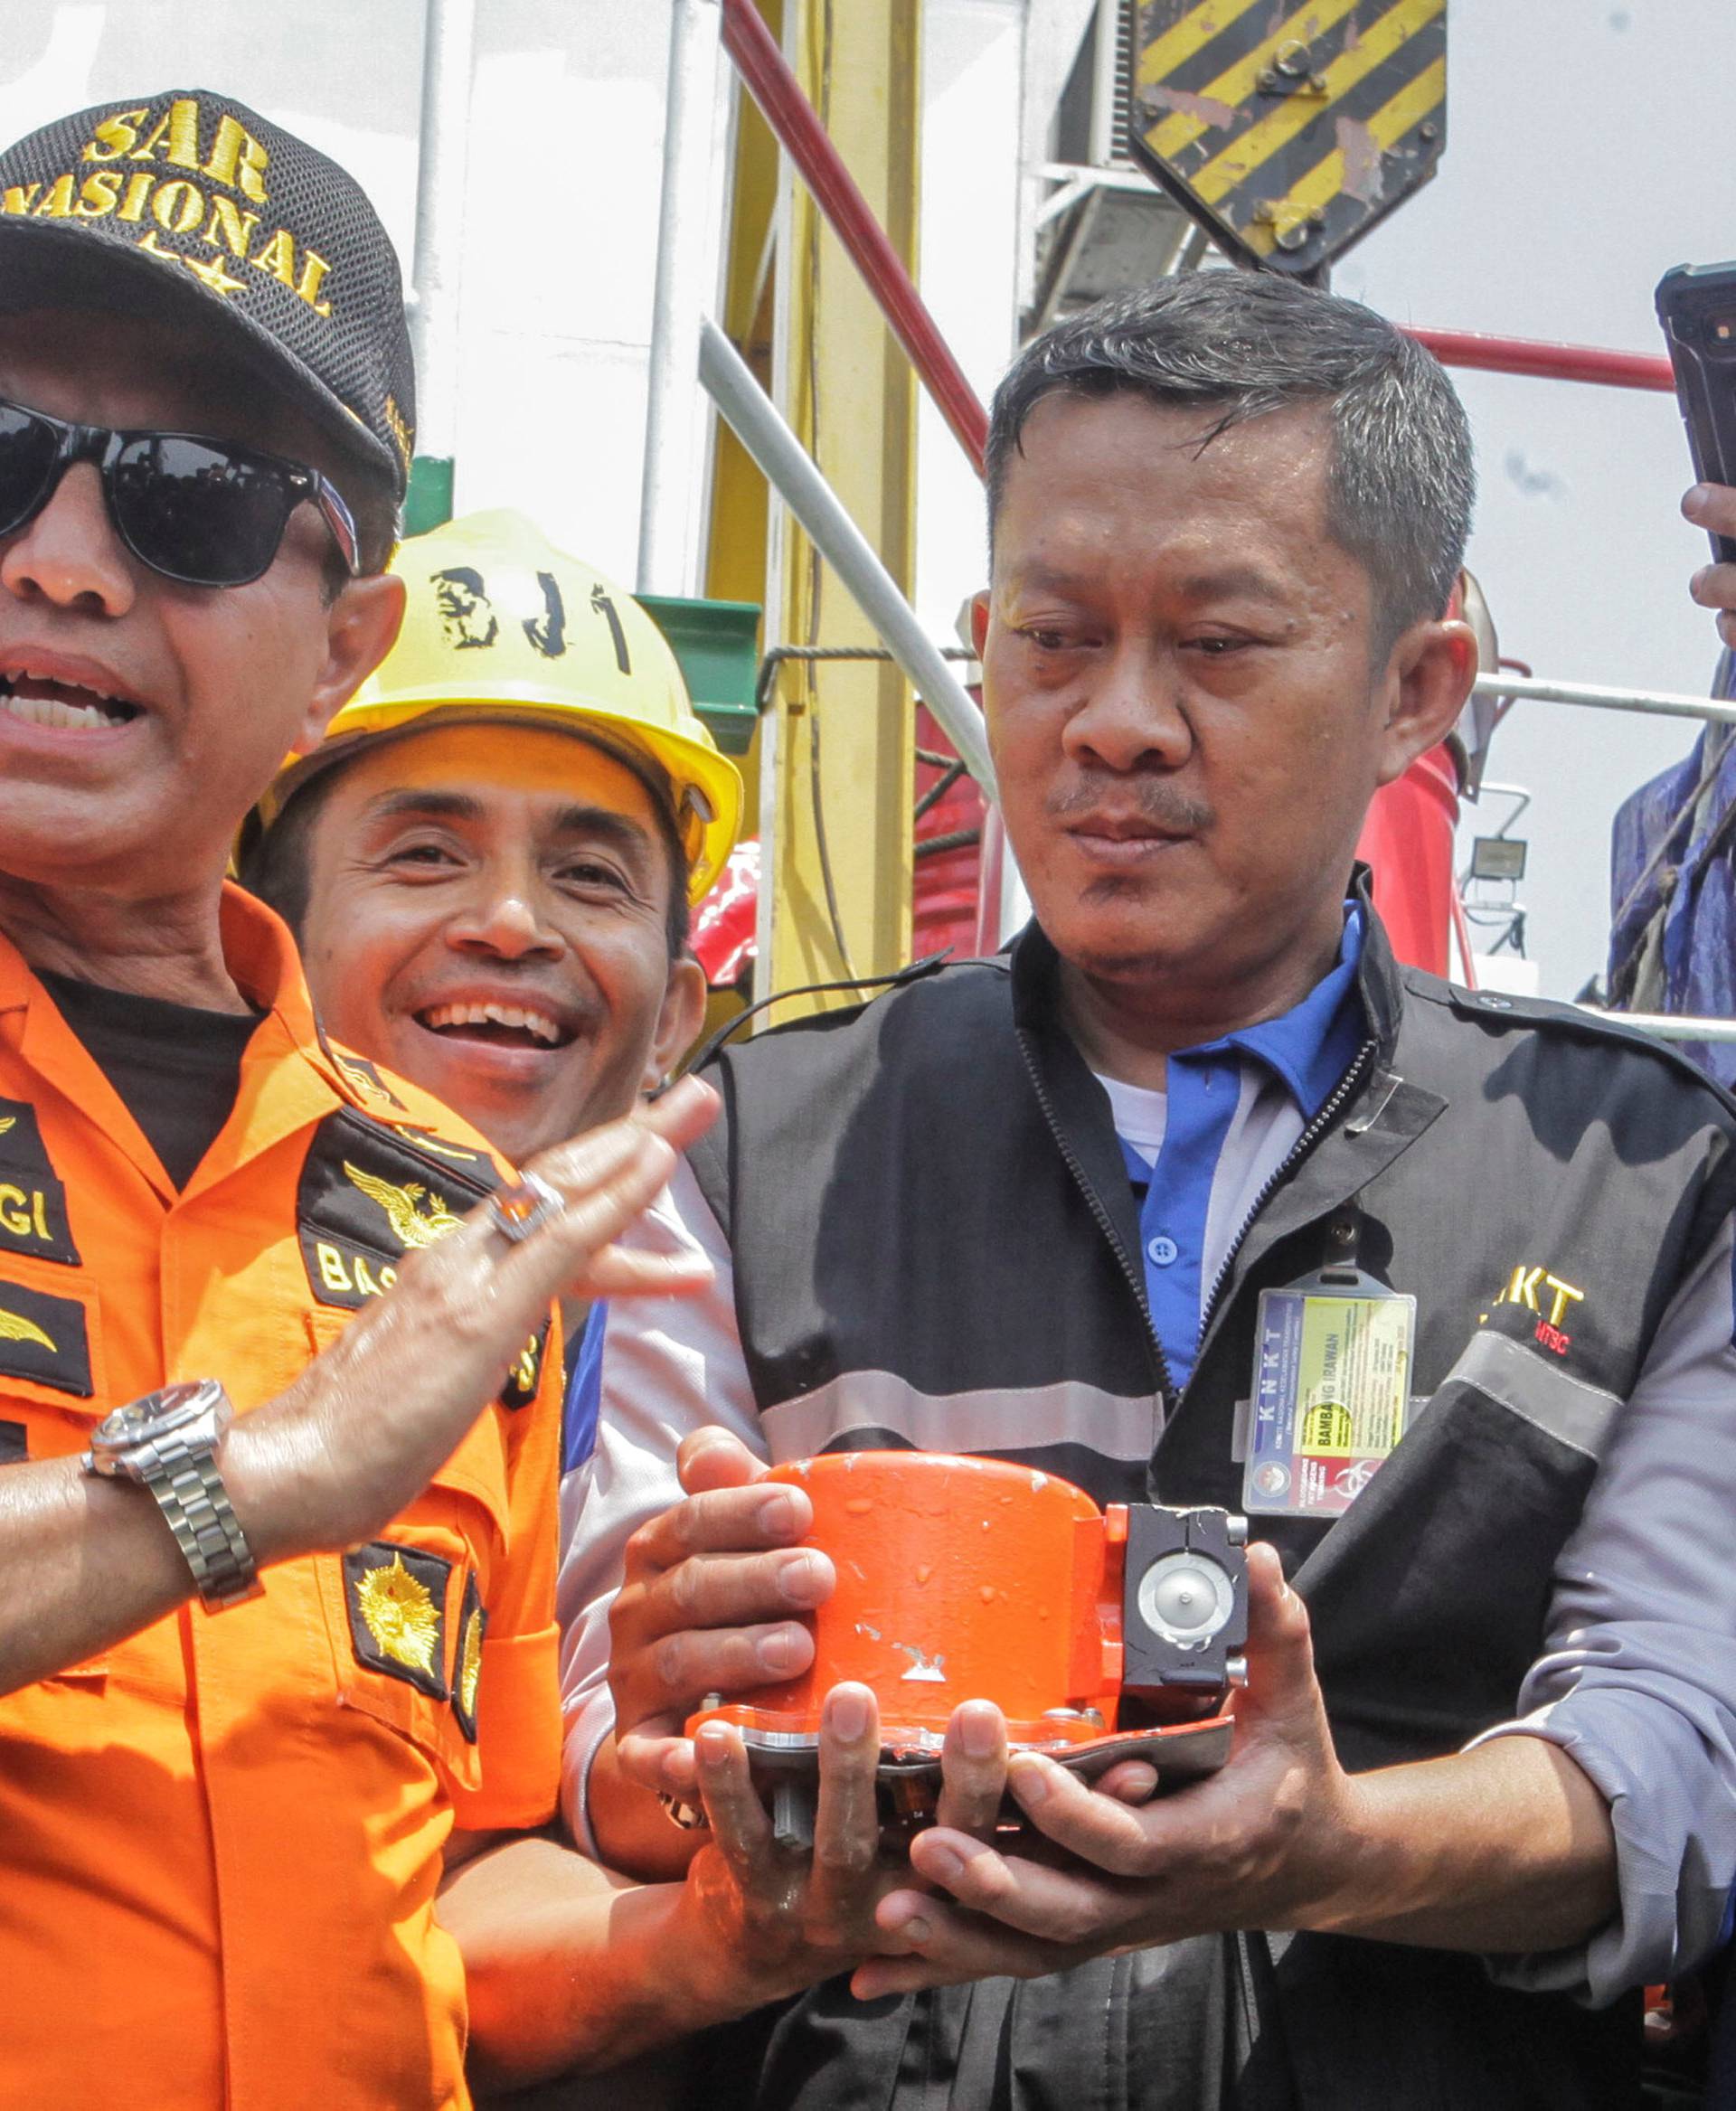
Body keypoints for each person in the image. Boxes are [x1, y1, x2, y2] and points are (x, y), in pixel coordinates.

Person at [561, 270, 1736, 2108]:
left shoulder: (1645, 1184)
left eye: (1218, 642)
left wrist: (1334, 1841)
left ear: (1420, 686)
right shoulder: (750, 1150)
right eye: (1050, 637)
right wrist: (653, 1721)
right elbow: (588, 1763)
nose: (1115, 721)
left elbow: (1675, 1753)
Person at [0, 87, 717, 2109]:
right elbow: (290, 1470)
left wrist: (743, 1925)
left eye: (188, 496)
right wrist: (261, 1475)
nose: (60, 558)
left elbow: (456, 1880)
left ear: (342, 653)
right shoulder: (400, 1344)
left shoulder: (448, 1225)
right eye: (1, 462)